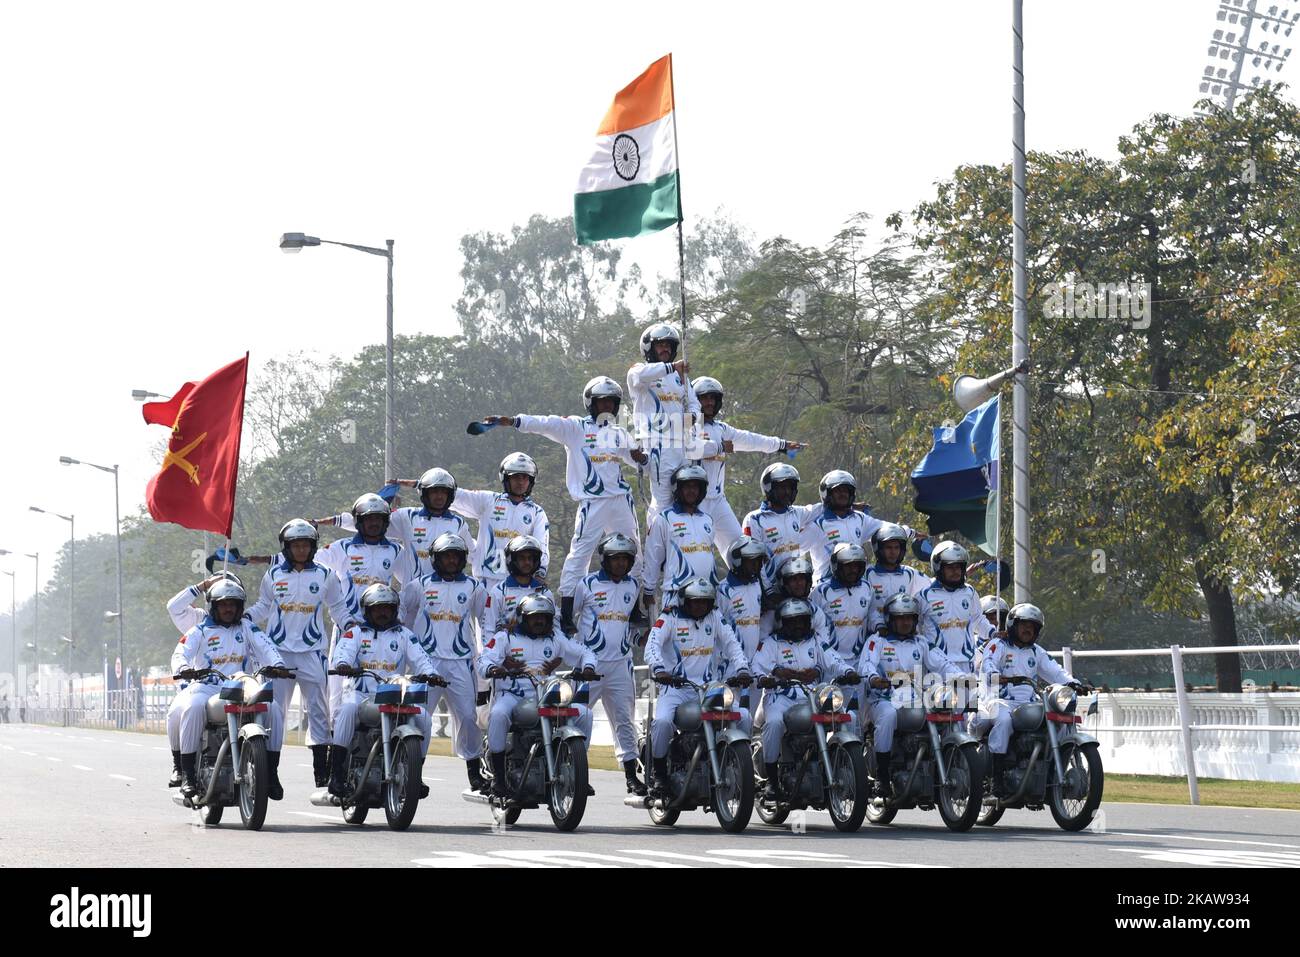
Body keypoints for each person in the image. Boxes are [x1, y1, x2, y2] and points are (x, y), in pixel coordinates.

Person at [479, 376, 647, 633]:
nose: (605, 407)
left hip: (620, 500)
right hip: (592, 502)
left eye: (610, 403)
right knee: (580, 555)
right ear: (590, 404)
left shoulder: (619, 432)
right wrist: (513, 421)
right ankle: (567, 613)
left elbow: (637, 459)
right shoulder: (575, 428)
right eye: (600, 402)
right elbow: (545, 423)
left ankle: (636, 610)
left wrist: (639, 456)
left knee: (633, 551)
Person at [243, 520, 357, 789]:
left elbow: (338, 607)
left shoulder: (326, 574)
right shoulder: (272, 575)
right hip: (278, 653)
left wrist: (350, 624)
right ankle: (270, 773)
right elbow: (263, 606)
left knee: (319, 710)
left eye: (306, 545)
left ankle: (322, 772)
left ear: (314, 546)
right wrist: (245, 616)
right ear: (286, 547)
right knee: (275, 712)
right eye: (296, 545)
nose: (302, 549)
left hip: (312, 652)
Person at [170, 580, 292, 801]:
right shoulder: (200, 630)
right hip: (208, 686)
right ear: (213, 606)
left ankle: (271, 773)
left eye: (233, 605)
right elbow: (181, 653)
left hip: (243, 684)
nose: (229, 609)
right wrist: (184, 668)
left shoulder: (247, 627)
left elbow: (266, 646)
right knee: (193, 707)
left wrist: (279, 665)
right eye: (223, 604)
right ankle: (187, 775)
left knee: (273, 708)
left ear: (240, 607)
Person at [478, 594, 599, 798]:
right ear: (523, 618)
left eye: (544, 617)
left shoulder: (557, 638)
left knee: (584, 714)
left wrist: (587, 667)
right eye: (534, 617)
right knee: (498, 714)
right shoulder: (505, 637)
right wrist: (492, 668)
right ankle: (498, 778)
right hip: (512, 694)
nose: (540, 621)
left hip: (547, 693)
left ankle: (576, 771)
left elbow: (586, 652)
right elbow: (484, 659)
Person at [328, 583, 443, 799]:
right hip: (362, 695)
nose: (383, 612)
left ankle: (415, 774)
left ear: (394, 610)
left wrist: (430, 673)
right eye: (377, 608)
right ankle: (337, 774)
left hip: (393, 695)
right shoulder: (356, 633)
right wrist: (343, 664)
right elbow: (342, 653)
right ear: (367, 610)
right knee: (346, 710)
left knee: (425, 718)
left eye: (387, 608)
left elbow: (420, 658)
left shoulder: (404, 635)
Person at [644, 578, 753, 800]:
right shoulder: (669, 617)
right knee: (663, 722)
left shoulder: (714, 616)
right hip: (674, 687)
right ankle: (659, 775)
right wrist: (659, 669)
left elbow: (732, 643)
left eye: (705, 602)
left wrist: (742, 669)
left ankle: (733, 764)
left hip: (709, 688)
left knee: (743, 716)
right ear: (685, 601)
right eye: (695, 602)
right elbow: (652, 644)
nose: (700, 606)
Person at [398, 532, 489, 792]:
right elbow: (402, 614)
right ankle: (414, 771)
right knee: (420, 719)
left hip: (461, 661)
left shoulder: (474, 587)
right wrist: (407, 649)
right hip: (426, 663)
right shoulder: (419, 585)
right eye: (446, 556)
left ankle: (474, 772)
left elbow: (487, 621)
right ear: (436, 559)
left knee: (469, 718)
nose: (451, 560)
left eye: (456, 556)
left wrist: (488, 653)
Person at [856, 593, 961, 797]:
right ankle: (882, 775)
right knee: (888, 716)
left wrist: (963, 676)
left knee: (948, 708)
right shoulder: (876, 641)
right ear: (890, 619)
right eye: (900, 618)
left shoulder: (921, 642)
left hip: (917, 699)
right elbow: (866, 663)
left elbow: (942, 663)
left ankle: (946, 766)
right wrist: (874, 678)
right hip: (884, 699)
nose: (905, 622)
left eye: (910, 618)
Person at [687, 375, 803, 555]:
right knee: (696, 552)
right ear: (694, 400)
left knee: (742, 552)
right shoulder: (687, 425)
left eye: (713, 398)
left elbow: (751, 440)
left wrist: (781, 445)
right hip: (694, 502)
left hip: (718, 501)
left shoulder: (722, 429)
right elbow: (689, 447)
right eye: (704, 398)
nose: (709, 402)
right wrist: (718, 447)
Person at [751, 598, 859, 791]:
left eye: (802, 620)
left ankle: (843, 765)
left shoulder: (816, 640)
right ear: (783, 622)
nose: (798, 625)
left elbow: (833, 659)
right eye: (792, 621)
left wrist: (847, 672)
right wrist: (766, 677)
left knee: (846, 716)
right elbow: (757, 665)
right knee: (775, 722)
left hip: (812, 695)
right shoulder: (770, 643)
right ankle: (772, 781)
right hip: (780, 696)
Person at [972, 603, 1090, 777]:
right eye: (1024, 625)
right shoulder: (998, 644)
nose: (1028, 630)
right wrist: (997, 676)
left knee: (1062, 723)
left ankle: (1054, 774)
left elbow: (1055, 670)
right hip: (998, 701)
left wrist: (1074, 683)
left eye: (1032, 627)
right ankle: (995, 776)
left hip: (1029, 704)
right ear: (1013, 625)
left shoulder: (1036, 652)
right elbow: (988, 664)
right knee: (1004, 720)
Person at [571, 532, 645, 795]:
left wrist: (644, 637)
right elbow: (569, 620)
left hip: (621, 666)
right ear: (605, 559)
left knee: (625, 721)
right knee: (577, 717)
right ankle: (576, 773)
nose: (620, 564)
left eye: (625, 559)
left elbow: (634, 626)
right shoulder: (586, 584)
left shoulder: (633, 586)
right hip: (589, 666)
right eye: (615, 559)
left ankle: (631, 777)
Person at [163, 571, 244, 787]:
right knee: (176, 713)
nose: (227, 607)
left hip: (237, 686)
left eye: (232, 600)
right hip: (201, 685)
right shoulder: (198, 621)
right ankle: (180, 767)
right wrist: (202, 585)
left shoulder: (244, 624)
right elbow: (173, 607)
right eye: (221, 599)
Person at [317, 470, 467, 583]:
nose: (439, 496)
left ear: (451, 495)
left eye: (443, 492)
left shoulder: (459, 523)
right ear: (425, 493)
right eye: (434, 491)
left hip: (446, 589)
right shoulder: (407, 516)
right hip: (412, 595)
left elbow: (471, 553)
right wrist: (330, 521)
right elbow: (369, 518)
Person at [627, 323, 700, 526]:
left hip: (682, 444)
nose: (665, 348)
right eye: (660, 344)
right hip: (657, 444)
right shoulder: (639, 372)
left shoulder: (681, 377)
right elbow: (641, 376)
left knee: (686, 499)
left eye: (669, 344)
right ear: (649, 348)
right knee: (663, 502)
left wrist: (691, 418)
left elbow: (694, 404)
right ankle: (656, 551)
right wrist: (672, 367)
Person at [448, 452, 550, 588]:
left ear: (531, 481)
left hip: (517, 582)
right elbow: (456, 495)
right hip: (484, 580)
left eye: (525, 478)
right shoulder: (489, 501)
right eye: (516, 477)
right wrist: (421, 484)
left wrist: (540, 572)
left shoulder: (537, 512)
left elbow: (541, 546)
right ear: (506, 478)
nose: (520, 482)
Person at [804, 470, 920, 582]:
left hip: (855, 585)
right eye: (837, 490)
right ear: (827, 494)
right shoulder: (817, 525)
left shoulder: (860, 519)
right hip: (825, 587)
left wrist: (912, 533)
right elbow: (793, 548)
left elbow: (887, 529)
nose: (843, 494)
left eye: (846, 490)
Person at [641, 463, 716, 613]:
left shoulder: (708, 520)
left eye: (695, 487)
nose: (691, 491)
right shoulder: (664, 519)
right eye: (687, 487)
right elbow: (653, 557)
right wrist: (648, 590)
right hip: (675, 594)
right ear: (678, 489)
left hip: (706, 595)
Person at [917, 540, 993, 677]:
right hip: (936, 668)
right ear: (938, 567)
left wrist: (992, 632)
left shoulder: (970, 592)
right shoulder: (924, 596)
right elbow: (915, 630)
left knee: (968, 698)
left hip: (967, 664)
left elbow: (977, 620)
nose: (956, 571)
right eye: (950, 568)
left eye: (959, 567)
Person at [742, 463, 821, 591]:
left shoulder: (796, 513)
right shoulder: (754, 519)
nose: (786, 492)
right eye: (781, 487)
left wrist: (852, 506)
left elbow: (822, 508)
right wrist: (767, 592)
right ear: (769, 488)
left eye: (790, 488)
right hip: (769, 593)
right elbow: (753, 562)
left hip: (794, 588)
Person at [812, 543, 874, 665]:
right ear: (837, 566)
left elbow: (872, 618)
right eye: (848, 566)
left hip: (859, 660)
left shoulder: (867, 588)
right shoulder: (820, 591)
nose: (854, 570)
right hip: (829, 662)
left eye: (857, 566)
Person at [864, 523, 930, 635]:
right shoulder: (867, 574)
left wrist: (960, 576)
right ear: (879, 549)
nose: (893, 552)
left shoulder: (909, 573)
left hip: (903, 637)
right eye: (888, 548)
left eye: (896, 547)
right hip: (874, 637)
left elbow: (933, 586)